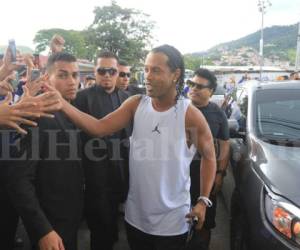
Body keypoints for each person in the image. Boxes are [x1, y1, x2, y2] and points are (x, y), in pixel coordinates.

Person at [45, 44, 216, 250]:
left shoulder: (189, 115)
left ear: (175, 75)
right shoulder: (136, 104)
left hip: (172, 223)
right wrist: (62, 103)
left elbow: (209, 156)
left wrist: (203, 200)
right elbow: (99, 128)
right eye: (145, 69)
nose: (148, 76)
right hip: (135, 219)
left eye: (156, 70)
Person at [6, 52, 84, 250]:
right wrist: (42, 230)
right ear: (47, 78)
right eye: (63, 75)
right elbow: (18, 179)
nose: (72, 81)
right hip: (51, 224)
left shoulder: (72, 111)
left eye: (75, 75)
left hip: (71, 215)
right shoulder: (38, 115)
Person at [74, 51, 131, 250]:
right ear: (95, 72)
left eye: (112, 71)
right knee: (99, 227)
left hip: (121, 172)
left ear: (117, 72)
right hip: (94, 175)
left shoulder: (128, 99)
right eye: (102, 70)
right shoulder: (81, 99)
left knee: (114, 221)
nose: (107, 75)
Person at [187, 68, 230, 249]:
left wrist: (219, 174)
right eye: (192, 84)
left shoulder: (217, 114)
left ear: (211, 92)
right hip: (178, 175)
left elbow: (225, 144)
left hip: (205, 176)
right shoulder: (178, 108)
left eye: (200, 86)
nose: (194, 88)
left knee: (204, 222)